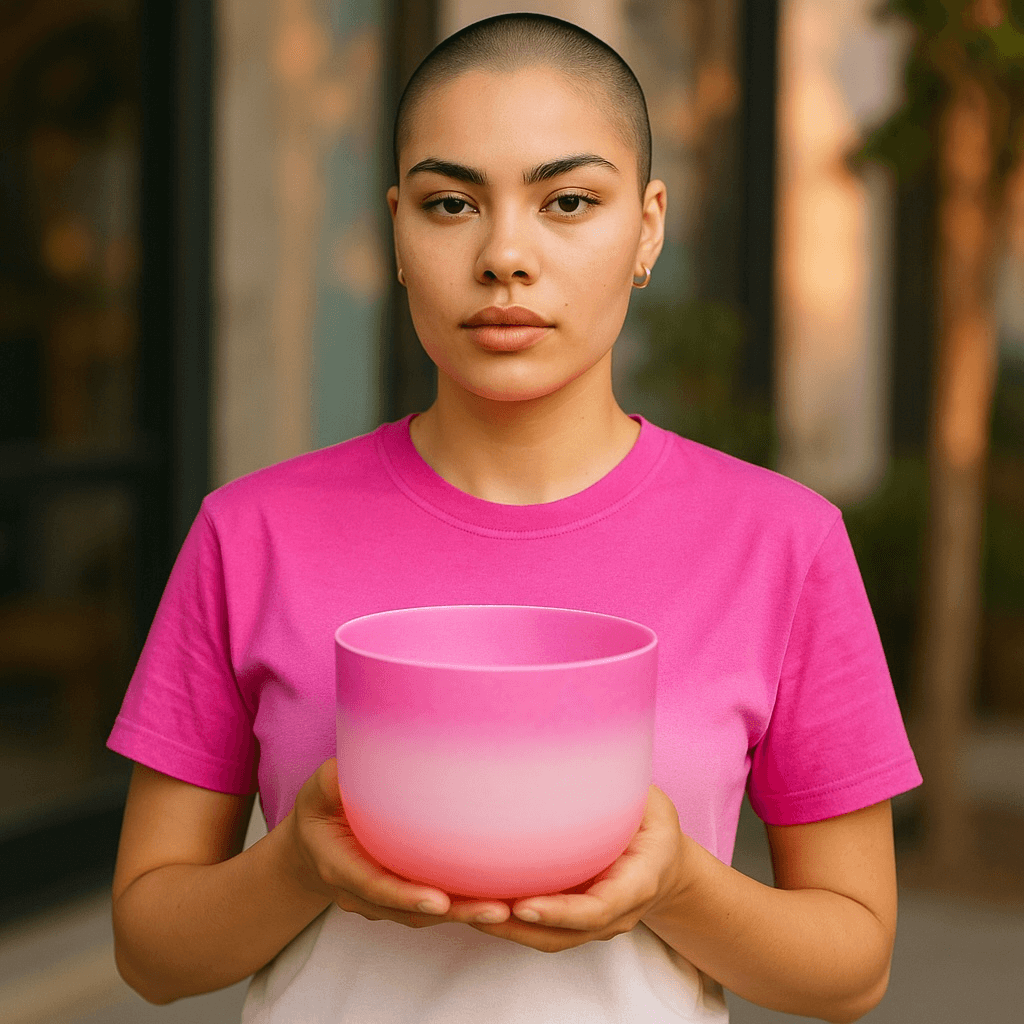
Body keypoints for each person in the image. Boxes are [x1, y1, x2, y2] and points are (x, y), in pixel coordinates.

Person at [107, 13, 922, 1024]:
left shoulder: (782, 541)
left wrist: (678, 886)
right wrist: (297, 867)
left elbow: (851, 970)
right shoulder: (250, 530)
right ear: (397, 226)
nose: (504, 255)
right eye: (451, 203)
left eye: (568, 200)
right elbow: (149, 951)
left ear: (649, 227)